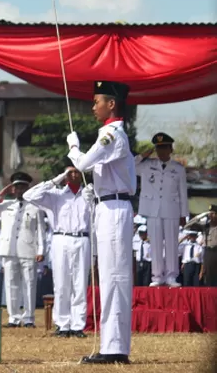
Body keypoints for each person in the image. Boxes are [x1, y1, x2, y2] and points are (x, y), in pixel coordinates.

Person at [67, 80, 135, 365]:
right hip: (107, 205)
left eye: (97, 101)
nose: (93, 107)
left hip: (115, 208)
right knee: (108, 276)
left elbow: (83, 163)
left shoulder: (111, 134)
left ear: (111, 104)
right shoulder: (109, 134)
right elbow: (99, 169)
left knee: (115, 277)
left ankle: (115, 348)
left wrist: (73, 147)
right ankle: (111, 344)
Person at [23, 159, 92, 338]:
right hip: (61, 239)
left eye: (77, 171)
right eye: (70, 172)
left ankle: (78, 325)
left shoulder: (88, 194)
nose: (74, 175)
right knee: (61, 284)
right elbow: (29, 195)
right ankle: (62, 324)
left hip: (82, 238)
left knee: (80, 284)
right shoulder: (55, 194)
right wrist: (57, 179)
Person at [0, 172, 46, 328]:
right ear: (13, 189)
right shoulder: (5, 205)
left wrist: (41, 250)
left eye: (23, 186)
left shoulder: (35, 207)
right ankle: (13, 317)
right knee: (11, 284)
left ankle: (29, 318)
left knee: (29, 284)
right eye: (17, 187)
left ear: (28, 187)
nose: (20, 190)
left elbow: (41, 229)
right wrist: (0, 194)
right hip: (9, 249)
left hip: (28, 248)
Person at [134, 133, 188, 287]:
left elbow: (183, 193)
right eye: (158, 148)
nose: (161, 151)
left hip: (172, 209)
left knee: (171, 243)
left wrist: (183, 214)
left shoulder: (178, 169)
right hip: (152, 210)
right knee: (155, 243)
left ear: (170, 149)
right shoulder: (146, 165)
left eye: (164, 147)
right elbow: (131, 166)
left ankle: (172, 276)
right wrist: (142, 156)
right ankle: (157, 276)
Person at [201, 204, 217, 287]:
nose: (211, 215)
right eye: (210, 213)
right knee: (209, 277)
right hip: (208, 252)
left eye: (213, 213)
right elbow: (188, 225)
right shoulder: (206, 227)